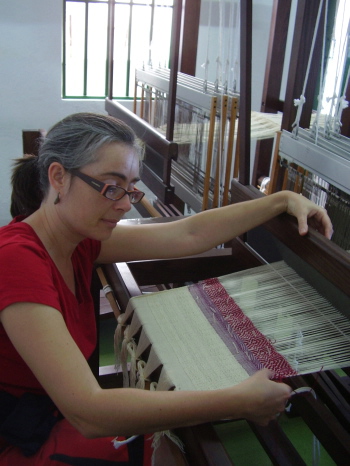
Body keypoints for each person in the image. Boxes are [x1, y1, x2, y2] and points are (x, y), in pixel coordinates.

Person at [0, 112, 333, 465]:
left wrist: (279, 201)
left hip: (42, 418)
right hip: (17, 437)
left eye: (130, 188)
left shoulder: (78, 240)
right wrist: (237, 401)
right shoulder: (17, 260)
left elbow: (187, 234)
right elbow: (90, 413)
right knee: (170, 454)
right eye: (111, 187)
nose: (126, 203)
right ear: (58, 177)